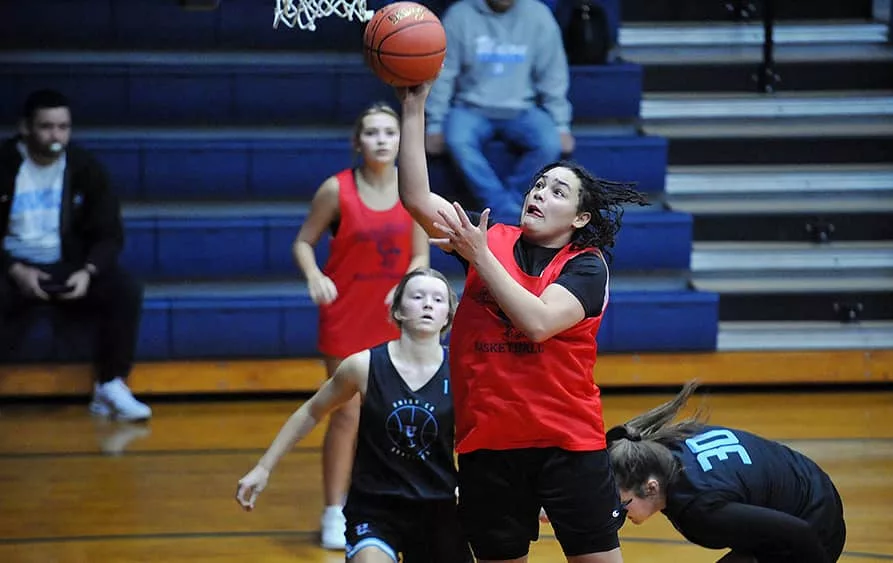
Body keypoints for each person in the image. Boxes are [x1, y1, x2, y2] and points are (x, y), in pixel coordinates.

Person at [395, 81, 648, 563]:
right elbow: (415, 198)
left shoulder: (587, 265)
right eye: (538, 185)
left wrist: (477, 254)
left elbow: (536, 322)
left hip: (567, 443)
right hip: (487, 444)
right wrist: (414, 106)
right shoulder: (489, 239)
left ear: (579, 218)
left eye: (558, 191)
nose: (540, 194)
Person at [235, 268, 472, 563]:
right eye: (417, 296)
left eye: (437, 299)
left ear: (448, 315)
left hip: (439, 507)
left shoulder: (462, 371)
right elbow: (312, 410)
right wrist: (263, 467)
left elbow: (485, 434)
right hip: (375, 508)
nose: (427, 304)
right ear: (398, 309)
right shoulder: (363, 366)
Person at [291, 102, 430, 549]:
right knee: (347, 412)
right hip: (346, 312)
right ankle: (335, 509)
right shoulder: (336, 190)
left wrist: (408, 283)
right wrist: (314, 275)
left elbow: (421, 255)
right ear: (358, 141)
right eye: (372, 132)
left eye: (391, 132)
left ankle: (396, 501)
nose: (383, 140)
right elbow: (303, 242)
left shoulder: (414, 193)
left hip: (396, 315)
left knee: (397, 412)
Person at [0, 89, 150, 421]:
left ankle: (110, 385)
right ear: (25, 128)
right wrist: (14, 269)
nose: (56, 136)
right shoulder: (5, 165)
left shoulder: (85, 167)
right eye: (46, 127)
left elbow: (110, 233)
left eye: (63, 127)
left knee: (125, 289)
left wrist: (89, 271)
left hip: (66, 266)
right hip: (12, 267)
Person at [607, 381, 847, 563]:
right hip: (807, 482)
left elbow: (799, 533)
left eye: (622, 502)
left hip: (815, 525)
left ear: (651, 487)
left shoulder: (700, 508)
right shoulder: (664, 449)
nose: (617, 511)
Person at [425, 0, 575, 218]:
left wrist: (561, 123)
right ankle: (504, 209)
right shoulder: (459, 16)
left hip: (522, 108)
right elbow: (443, 75)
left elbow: (553, 75)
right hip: (470, 107)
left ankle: (512, 204)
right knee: (457, 139)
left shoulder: (538, 15)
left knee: (549, 142)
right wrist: (435, 124)